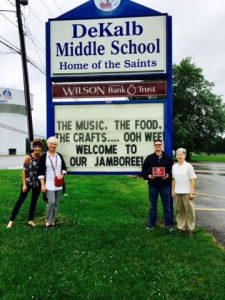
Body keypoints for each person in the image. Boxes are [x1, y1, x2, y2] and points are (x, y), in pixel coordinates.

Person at [6, 139, 43, 228]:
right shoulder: (28, 157)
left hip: (37, 184)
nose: (37, 148)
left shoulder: (41, 158)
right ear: (33, 148)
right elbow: (24, 171)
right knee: (20, 201)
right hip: (28, 182)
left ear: (41, 148)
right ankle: (11, 220)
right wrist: (24, 184)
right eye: (36, 147)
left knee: (34, 202)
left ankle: (30, 220)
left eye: (39, 147)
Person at [142, 139, 174, 232]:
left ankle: (169, 224)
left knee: (167, 207)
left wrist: (168, 175)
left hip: (165, 186)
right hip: (153, 185)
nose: (158, 146)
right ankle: (151, 224)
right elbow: (143, 171)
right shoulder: (149, 158)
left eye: (159, 145)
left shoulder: (168, 158)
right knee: (152, 206)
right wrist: (148, 176)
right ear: (154, 146)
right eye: (156, 145)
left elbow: (172, 172)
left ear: (162, 146)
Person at [38, 136, 67, 227]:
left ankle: (53, 220)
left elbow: (64, 168)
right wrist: (42, 185)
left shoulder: (59, 156)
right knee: (51, 202)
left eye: (54, 144)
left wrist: (61, 175)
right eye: (51, 144)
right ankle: (48, 220)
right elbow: (41, 172)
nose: (52, 146)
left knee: (57, 203)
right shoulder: (44, 157)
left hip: (58, 183)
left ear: (56, 145)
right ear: (48, 144)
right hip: (49, 183)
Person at [172, 148, 197, 237]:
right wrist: (173, 190)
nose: (179, 156)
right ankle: (181, 227)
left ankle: (191, 228)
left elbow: (193, 179)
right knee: (179, 211)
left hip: (187, 192)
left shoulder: (188, 166)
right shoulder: (174, 166)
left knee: (189, 211)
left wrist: (192, 192)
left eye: (181, 154)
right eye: (178, 154)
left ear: (184, 155)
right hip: (177, 192)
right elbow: (173, 179)